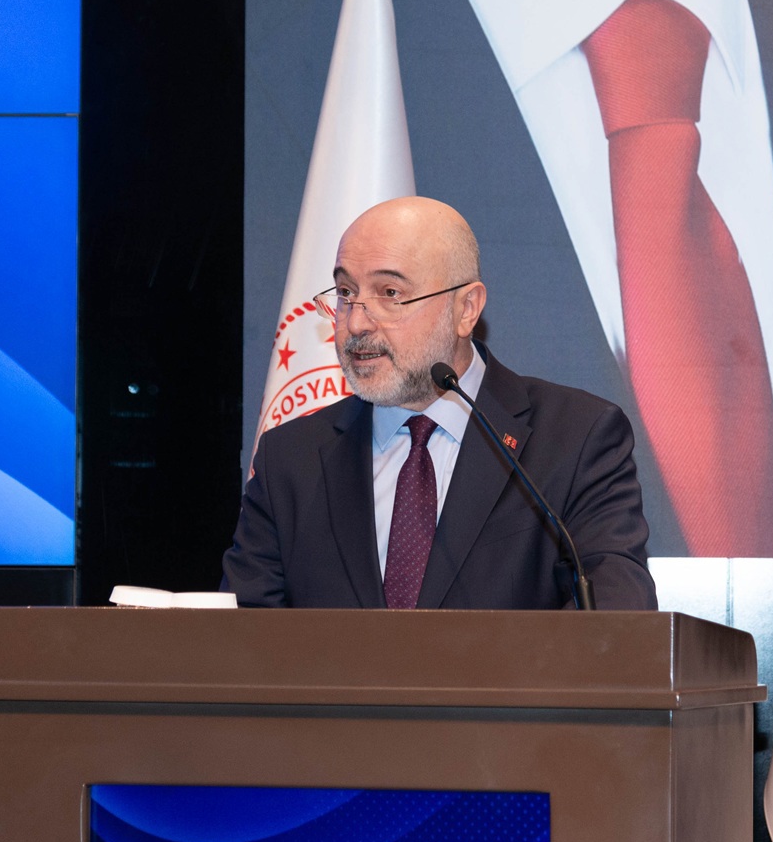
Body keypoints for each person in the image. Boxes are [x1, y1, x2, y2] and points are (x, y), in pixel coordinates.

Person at [221, 196, 656, 610]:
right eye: (346, 292)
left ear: (466, 309)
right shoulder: (290, 460)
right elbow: (241, 638)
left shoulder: (576, 440)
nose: (355, 322)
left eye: (390, 293)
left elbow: (617, 618)